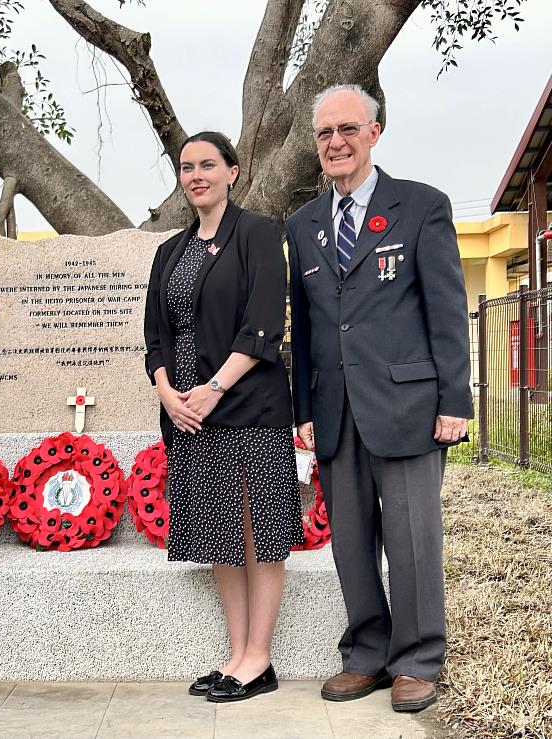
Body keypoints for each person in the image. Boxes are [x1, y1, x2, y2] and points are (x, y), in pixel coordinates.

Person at [286, 84, 473, 713]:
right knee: (351, 540)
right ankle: (366, 653)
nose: (335, 143)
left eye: (348, 129)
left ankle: (419, 659)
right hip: (336, 411)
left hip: (409, 408)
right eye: (324, 134)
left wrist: (456, 402)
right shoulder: (304, 223)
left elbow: (446, 312)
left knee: (413, 537)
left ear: (375, 131)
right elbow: (308, 329)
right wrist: (303, 412)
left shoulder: (421, 207)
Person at [144, 131, 303, 703]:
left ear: (232, 171)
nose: (196, 176)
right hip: (187, 417)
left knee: (259, 532)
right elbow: (155, 337)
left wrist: (212, 388)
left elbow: (263, 324)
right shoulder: (169, 252)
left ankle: (260, 658)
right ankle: (237, 655)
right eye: (186, 168)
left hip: (247, 408)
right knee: (220, 537)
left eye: (207, 165)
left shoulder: (258, 234)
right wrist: (167, 391)